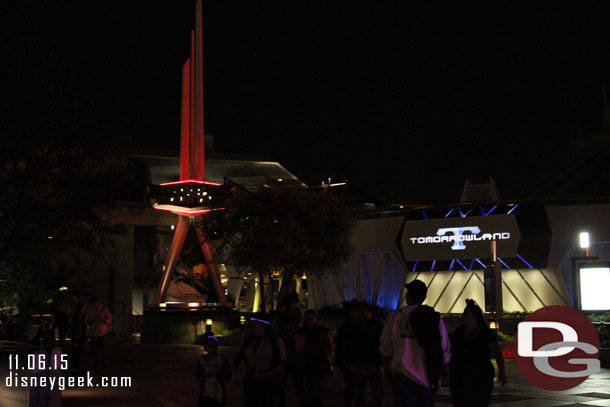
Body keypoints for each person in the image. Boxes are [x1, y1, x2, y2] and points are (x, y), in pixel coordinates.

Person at [379, 280, 450, 407]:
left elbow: (386, 349)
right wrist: (446, 372)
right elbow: (444, 348)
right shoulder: (434, 318)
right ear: (424, 298)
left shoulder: (394, 318)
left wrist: (386, 375)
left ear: (408, 297)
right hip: (427, 375)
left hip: (401, 374)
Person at [449, 299, 507, 407]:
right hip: (460, 375)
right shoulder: (459, 332)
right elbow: (451, 352)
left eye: (466, 314)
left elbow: (497, 354)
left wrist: (502, 372)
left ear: (475, 317)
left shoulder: (486, 334)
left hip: (480, 376)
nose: (464, 317)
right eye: (464, 314)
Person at [233, 316, 286, 407]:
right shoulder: (249, 340)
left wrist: (265, 375)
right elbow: (240, 356)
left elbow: (282, 363)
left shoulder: (275, 341)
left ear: (263, 325)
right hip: (251, 379)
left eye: (255, 324)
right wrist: (237, 372)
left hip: (268, 380)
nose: (253, 327)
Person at [295, 309, 335, 407]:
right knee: (310, 389)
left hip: (319, 364)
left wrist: (326, 356)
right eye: (307, 319)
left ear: (316, 319)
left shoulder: (322, 331)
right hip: (307, 364)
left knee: (317, 389)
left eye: (311, 319)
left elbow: (330, 347)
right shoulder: (302, 332)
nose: (309, 321)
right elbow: (298, 348)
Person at [273, 292, 303, 407]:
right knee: (295, 384)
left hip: (288, 354)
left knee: (288, 384)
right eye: (295, 303)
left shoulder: (283, 318)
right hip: (290, 353)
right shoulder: (289, 319)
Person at [351, 302, 384, 407]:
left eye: (363, 311)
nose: (361, 314)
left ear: (370, 313)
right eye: (359, 312)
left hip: (374, 364)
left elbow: (381, 345)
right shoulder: (354, 327)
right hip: (359, 365)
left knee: (376, 392)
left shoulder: (377, 327)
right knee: (360, 393)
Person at [195, 336, 232, 407]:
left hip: (218, 392)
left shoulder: (222, 359)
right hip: (205, 392)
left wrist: (218, 376)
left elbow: (228, 374)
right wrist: (204, 376)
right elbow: (197, 374)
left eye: (214, 347)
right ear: (205, 348)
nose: (212, 349)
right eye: (209, 347)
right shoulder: (202, 360)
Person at [334, 301, 359, 407]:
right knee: (351, 383)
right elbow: (341, 345)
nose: (355, 314)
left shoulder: (355, 326)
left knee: (352, 383)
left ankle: (350, 401)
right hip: (347, 360)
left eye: (356, 312)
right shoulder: (346, 327)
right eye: (353, 312)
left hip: (351, 360)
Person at [88, 297, 111, 372]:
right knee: (94, 351)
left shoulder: (104, 309)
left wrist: (102, 319)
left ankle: (103, 367)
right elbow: (88, 321)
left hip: (103, 333)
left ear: (97, 303)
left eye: (94, 304)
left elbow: (109, 320)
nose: (94, 305)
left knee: (103, 352)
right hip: (94, 333)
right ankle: (94, 367)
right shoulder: (91, 311)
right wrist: (93, 320)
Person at [70, 302, 87, 371]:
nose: (84, 311)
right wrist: (76, 339)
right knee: (77, 352)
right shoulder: (77, 318)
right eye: (83, 309)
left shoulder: (80, 317)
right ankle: (76, 367)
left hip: (79, 337)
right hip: (78, 337)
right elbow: (77, 329)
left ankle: (77, 367)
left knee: (78, 352)